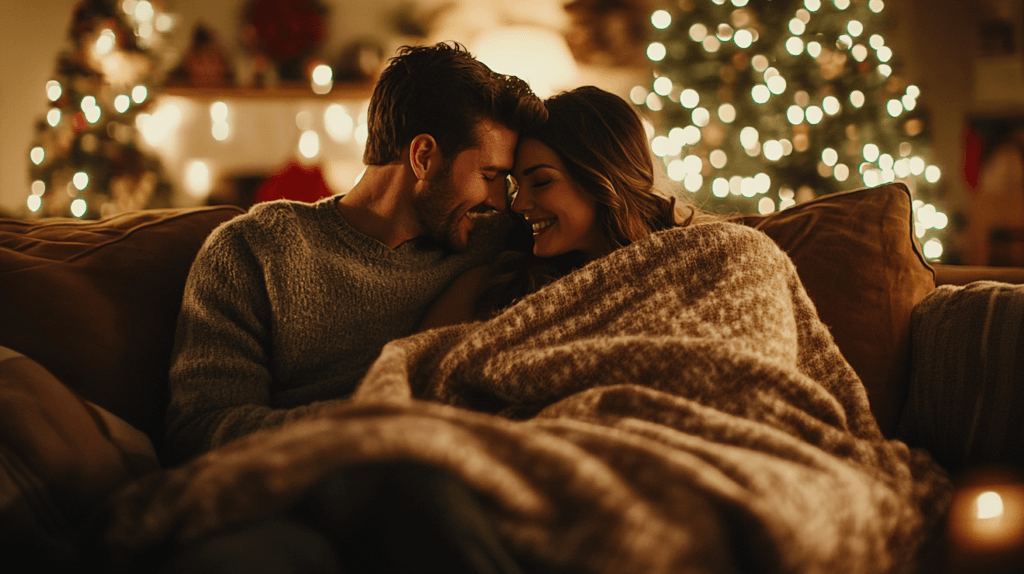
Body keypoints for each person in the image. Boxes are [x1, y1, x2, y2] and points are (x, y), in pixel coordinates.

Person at [163, 42, 547, 464]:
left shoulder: (498, 240)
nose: (499, 201)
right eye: (489, 175)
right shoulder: (255, 249)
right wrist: (381, 425)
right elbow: (201, 430)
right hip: (300, 488)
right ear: (424, 157)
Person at [420, 85, 717, 330]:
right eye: (515, 186)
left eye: (541, 181)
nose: (519, 204)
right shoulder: (493, 288)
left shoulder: (707, 257)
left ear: (601, 178)